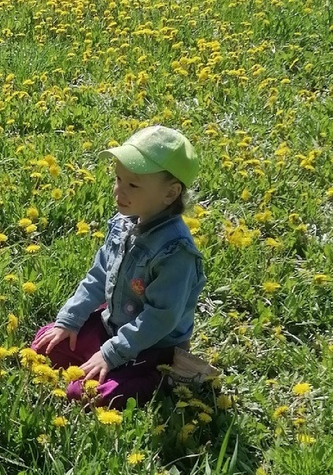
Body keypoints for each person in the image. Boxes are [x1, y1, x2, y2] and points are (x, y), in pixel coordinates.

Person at [30, 125, 205, 405]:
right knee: (45, 344)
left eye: (132, 184)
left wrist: (110, 354)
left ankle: (163, 378)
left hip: (152, 347)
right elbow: (98, 276)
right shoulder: (124, 223)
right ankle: (105, 362)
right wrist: (70, 320)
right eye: (118, 179)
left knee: (84, 394)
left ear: (170, 194)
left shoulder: (176, 252)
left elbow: (159, 318)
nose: (118, 191)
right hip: (112, 324)